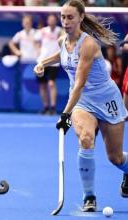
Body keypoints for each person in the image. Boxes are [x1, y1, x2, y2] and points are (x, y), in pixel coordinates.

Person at [34, 0, 127, 212]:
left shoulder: (89, 45)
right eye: (63, 17)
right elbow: (62, 56)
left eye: (70, 17)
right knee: (85, 139)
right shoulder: (62, 40)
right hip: (83, 102)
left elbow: (79, 83)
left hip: (106, 99)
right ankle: (89, 197)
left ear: (81, 18)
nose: (65, 22)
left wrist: (64, 115)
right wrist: (43, 63)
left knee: (115, 157)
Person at [34, 14, 63, 115]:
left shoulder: (60, 31)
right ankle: (45, 107)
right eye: (50, 19)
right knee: (42, 85)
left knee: (51, 84)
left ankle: (53, 107)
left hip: (53, 62)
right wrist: (37, 50)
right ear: (47, 21)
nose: (51, 21)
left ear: (56, 21)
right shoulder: (42, 31)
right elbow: (35, 41)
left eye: (53, 19)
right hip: (42, 61)